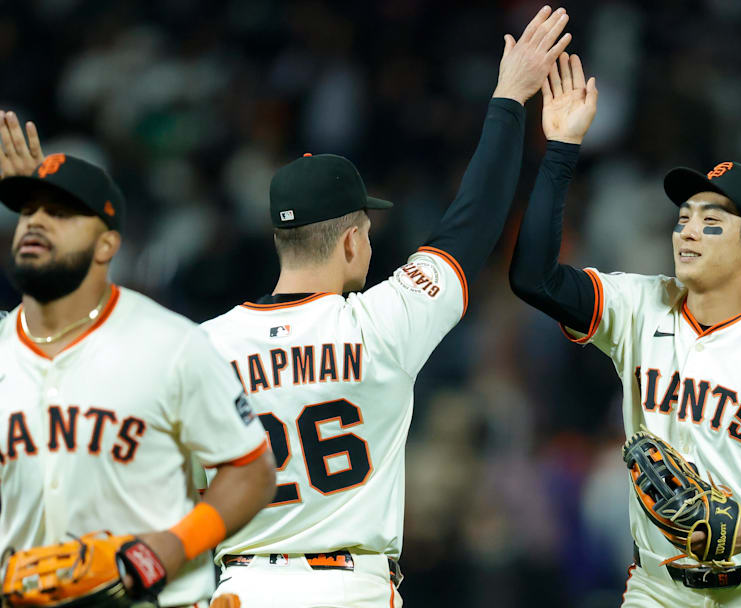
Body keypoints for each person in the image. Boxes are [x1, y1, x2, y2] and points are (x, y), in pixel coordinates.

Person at [197, 6, 573, 607]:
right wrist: (509, 98)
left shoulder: (203, 347)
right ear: (351, 238)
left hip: (240, 586)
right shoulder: (381, 324)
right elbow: (472, 223)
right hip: (350, 588)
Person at [509, 53, 741, 606]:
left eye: (711, 223)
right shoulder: (639, 305)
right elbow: (533, 278)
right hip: (657, 588)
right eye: (683, 219)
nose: (687, 234)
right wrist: (560, 151)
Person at [0, 113, 277, 607]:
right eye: (28, 211)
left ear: (107, 243)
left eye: (61, 213)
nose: (37, 221)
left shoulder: (170, 344)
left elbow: (252, 470)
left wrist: (173, 546)